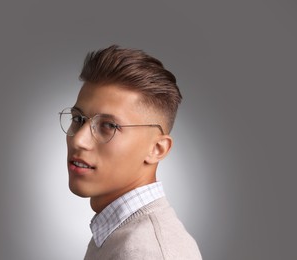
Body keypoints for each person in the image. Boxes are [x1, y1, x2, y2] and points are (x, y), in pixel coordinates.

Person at [59, 45, 202, 259]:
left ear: (157, 149)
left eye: (108, 126)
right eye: (78, 119)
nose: (78, 140)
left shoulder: (147, 252)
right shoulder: (118, 233)